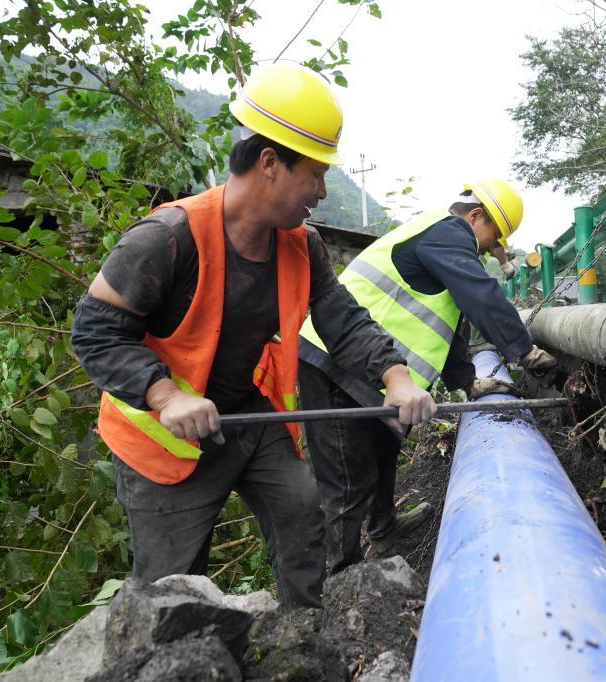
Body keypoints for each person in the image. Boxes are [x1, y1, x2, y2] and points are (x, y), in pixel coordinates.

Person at [70, 63, 435, 608]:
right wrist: (166, 395)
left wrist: (397, 377)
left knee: (302, 511)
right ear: (270, 163)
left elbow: (343, 318)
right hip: (162, 439)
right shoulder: (166, 238)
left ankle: (301, 636)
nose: (320, 189)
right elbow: (95, 332)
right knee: (172, 592)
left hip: (247, 415)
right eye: (314, 173)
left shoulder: (300, 245)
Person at [297, 178, 558, 573]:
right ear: (475, 216)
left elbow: (448, 321)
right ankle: (340, 578)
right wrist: (525, 351)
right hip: (338, 358)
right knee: (348, 477)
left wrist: (468, 382)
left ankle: (383, 528)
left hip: (369, 368)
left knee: (384, 443)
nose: (492, 250)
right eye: (492, 239)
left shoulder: (441, 239)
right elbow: (480, 294)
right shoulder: (449, 232)